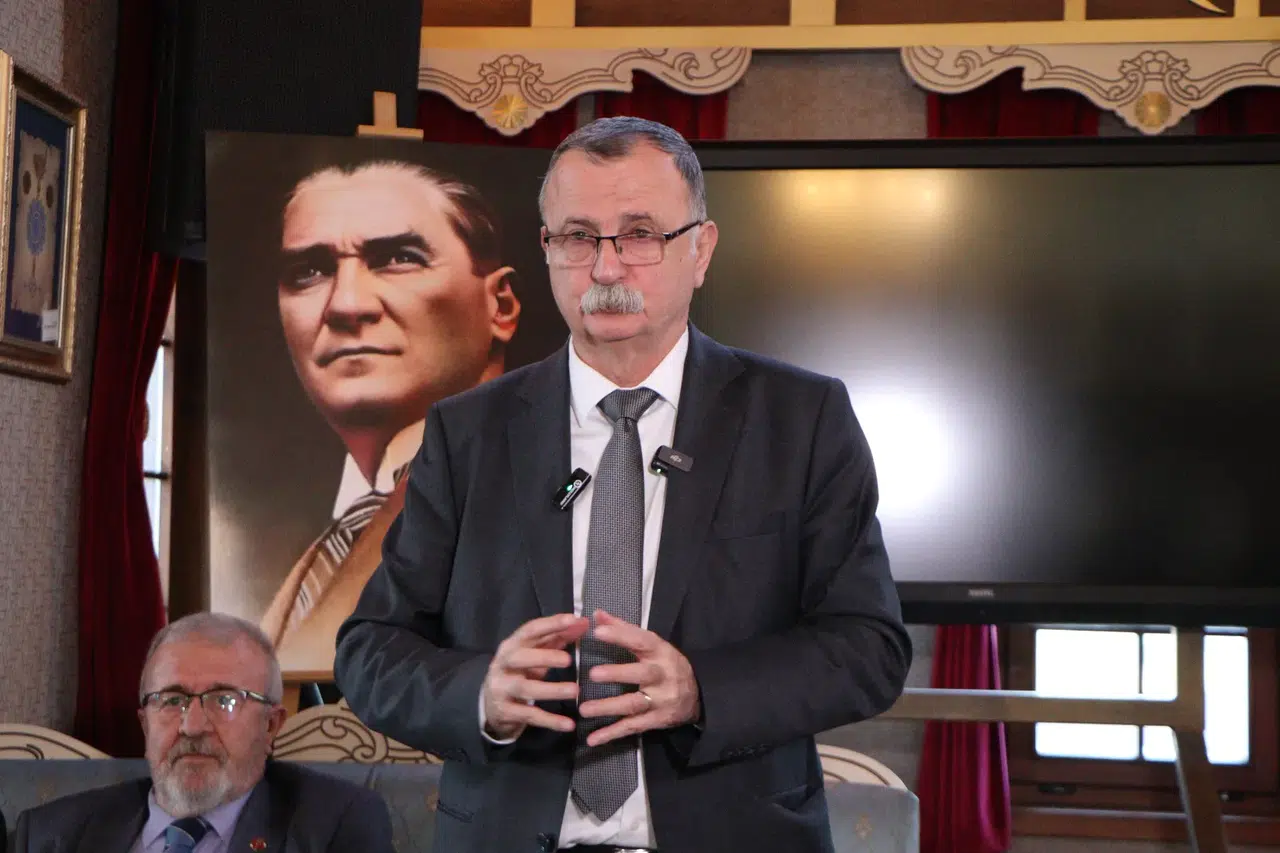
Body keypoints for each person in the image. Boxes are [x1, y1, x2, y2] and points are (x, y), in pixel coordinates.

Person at [334, 116, 911, 853]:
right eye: (578, 237)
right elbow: (372, 650)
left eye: (640, 235)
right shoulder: (466, 432)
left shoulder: (801, 419)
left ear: (701, 249)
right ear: (547, 250)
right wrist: (480, 693)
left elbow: (868, 647)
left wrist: (702, 689)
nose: (606, 269)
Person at [258, 159, 522, 676]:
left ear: (501, 306)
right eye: (309, 272)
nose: (346, 305)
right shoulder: (320, 546)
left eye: (399, 259)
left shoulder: (543, 495)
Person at [11, 612, 393, 852]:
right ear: (145, 723)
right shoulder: (50, 835)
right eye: (171, 700)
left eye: (224, 700)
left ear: (270, 726)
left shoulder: (335, 826)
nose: (192, 726)